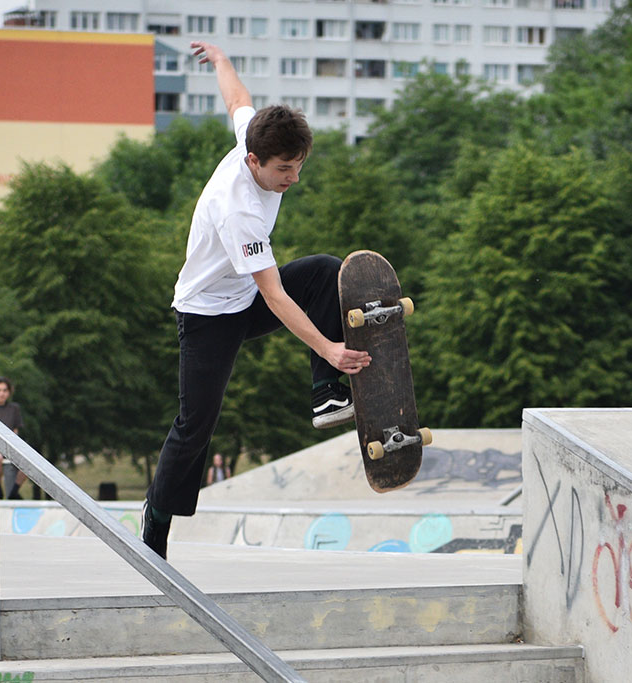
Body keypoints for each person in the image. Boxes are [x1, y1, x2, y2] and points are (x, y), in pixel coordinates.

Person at [140, 41, 371, 559]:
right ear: (254, 160)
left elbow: (236, 99)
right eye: (283, 170)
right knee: (196, 424)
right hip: (207, 316)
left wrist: (221, 62)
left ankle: (325, 393)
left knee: (326, 273)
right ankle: (156, 518)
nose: (292, 179)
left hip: (244, 295)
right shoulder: (237, 208)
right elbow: (275, 294)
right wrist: (331, 346)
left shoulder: (255, 133)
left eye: (299, 166)